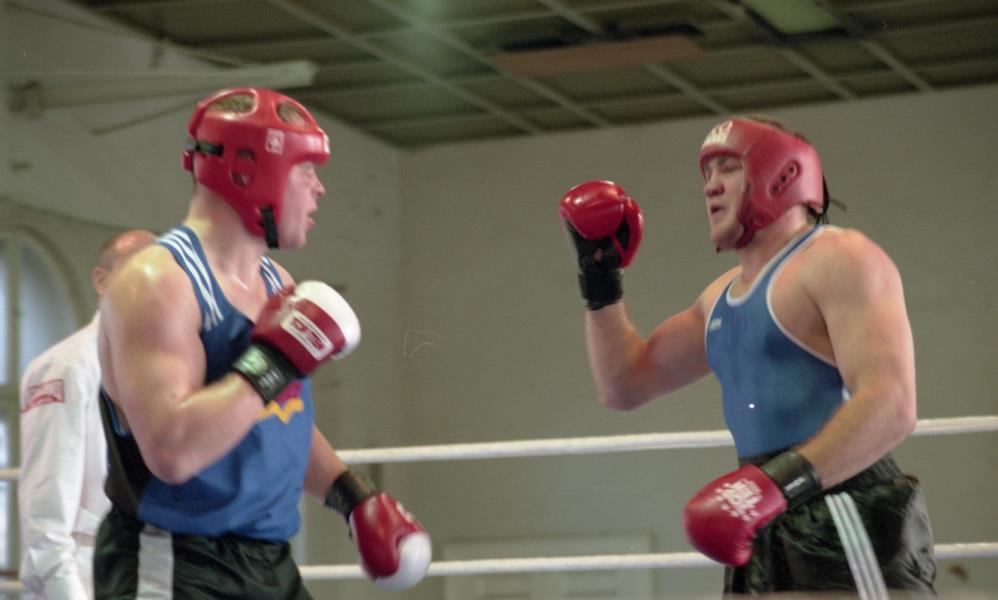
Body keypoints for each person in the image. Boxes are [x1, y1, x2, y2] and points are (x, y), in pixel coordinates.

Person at [559, 117, 936, 596]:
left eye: (729, 168)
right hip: (761, 510)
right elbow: (625, 385)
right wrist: (600, 276)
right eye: (707, 173)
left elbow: (891, 405)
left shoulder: (839, 257)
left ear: (782, 175)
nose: (711, 186)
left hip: (841, 503)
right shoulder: (718, 298)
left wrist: (773, 485)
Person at [94, 87, 430, 598]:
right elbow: (171, 452)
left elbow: (278, 418)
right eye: (305, 169)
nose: (318, 188)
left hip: (269, 563)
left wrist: (352, 496)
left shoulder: (276, 283)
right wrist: (274, 360)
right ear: (249, 171)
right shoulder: (158, 283)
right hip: (178, 562)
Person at [19, 229, 156, 600]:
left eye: (159, 273)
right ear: (101, 279)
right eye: (137, 270)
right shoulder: (67, 366)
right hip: (86, 571)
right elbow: (45, 510)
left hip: (148, 568)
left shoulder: (161, 368)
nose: (150, 284)